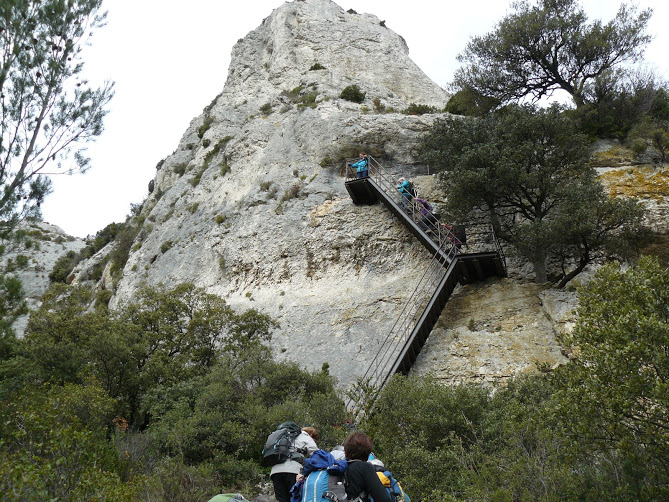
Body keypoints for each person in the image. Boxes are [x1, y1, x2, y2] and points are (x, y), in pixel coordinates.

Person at [271, 425, 319, 502]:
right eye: (315, 440)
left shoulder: (283, 435)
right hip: (293, 471)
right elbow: (317, 453)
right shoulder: (305, 436)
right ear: (311, 435)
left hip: (275, 472)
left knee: (283, 500)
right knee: (295, 498)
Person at [343, 433, 392, 502]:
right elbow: (383, 499)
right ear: (368, 455)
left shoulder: (338, 467)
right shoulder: (365, 468)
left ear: (345, 453)